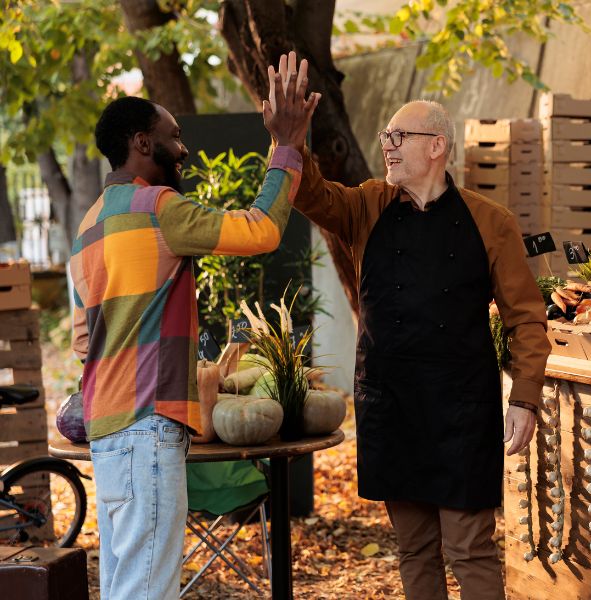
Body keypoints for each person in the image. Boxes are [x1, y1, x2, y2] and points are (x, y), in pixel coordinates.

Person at [70, 52, 319, 600]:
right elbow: (260, 231)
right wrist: (287, 146)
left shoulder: (87, 228)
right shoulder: (161, 206)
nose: (183, 148)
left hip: (106, 435)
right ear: (141, 143)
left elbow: (82, 344)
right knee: (148, 592)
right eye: (174, 135)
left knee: (123, 587)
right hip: (148, 426)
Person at [292, 98, 550, 599]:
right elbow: (311, 195)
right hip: (389, 404)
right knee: (413, 549)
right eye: (385, 137)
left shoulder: (491, 221)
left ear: (437, 147)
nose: (386, 147)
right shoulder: (367, 204)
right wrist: (292, 142)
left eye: (398, 137)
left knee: (468, 548)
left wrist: (525, 397)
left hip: (461, 409)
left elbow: (525, 317)